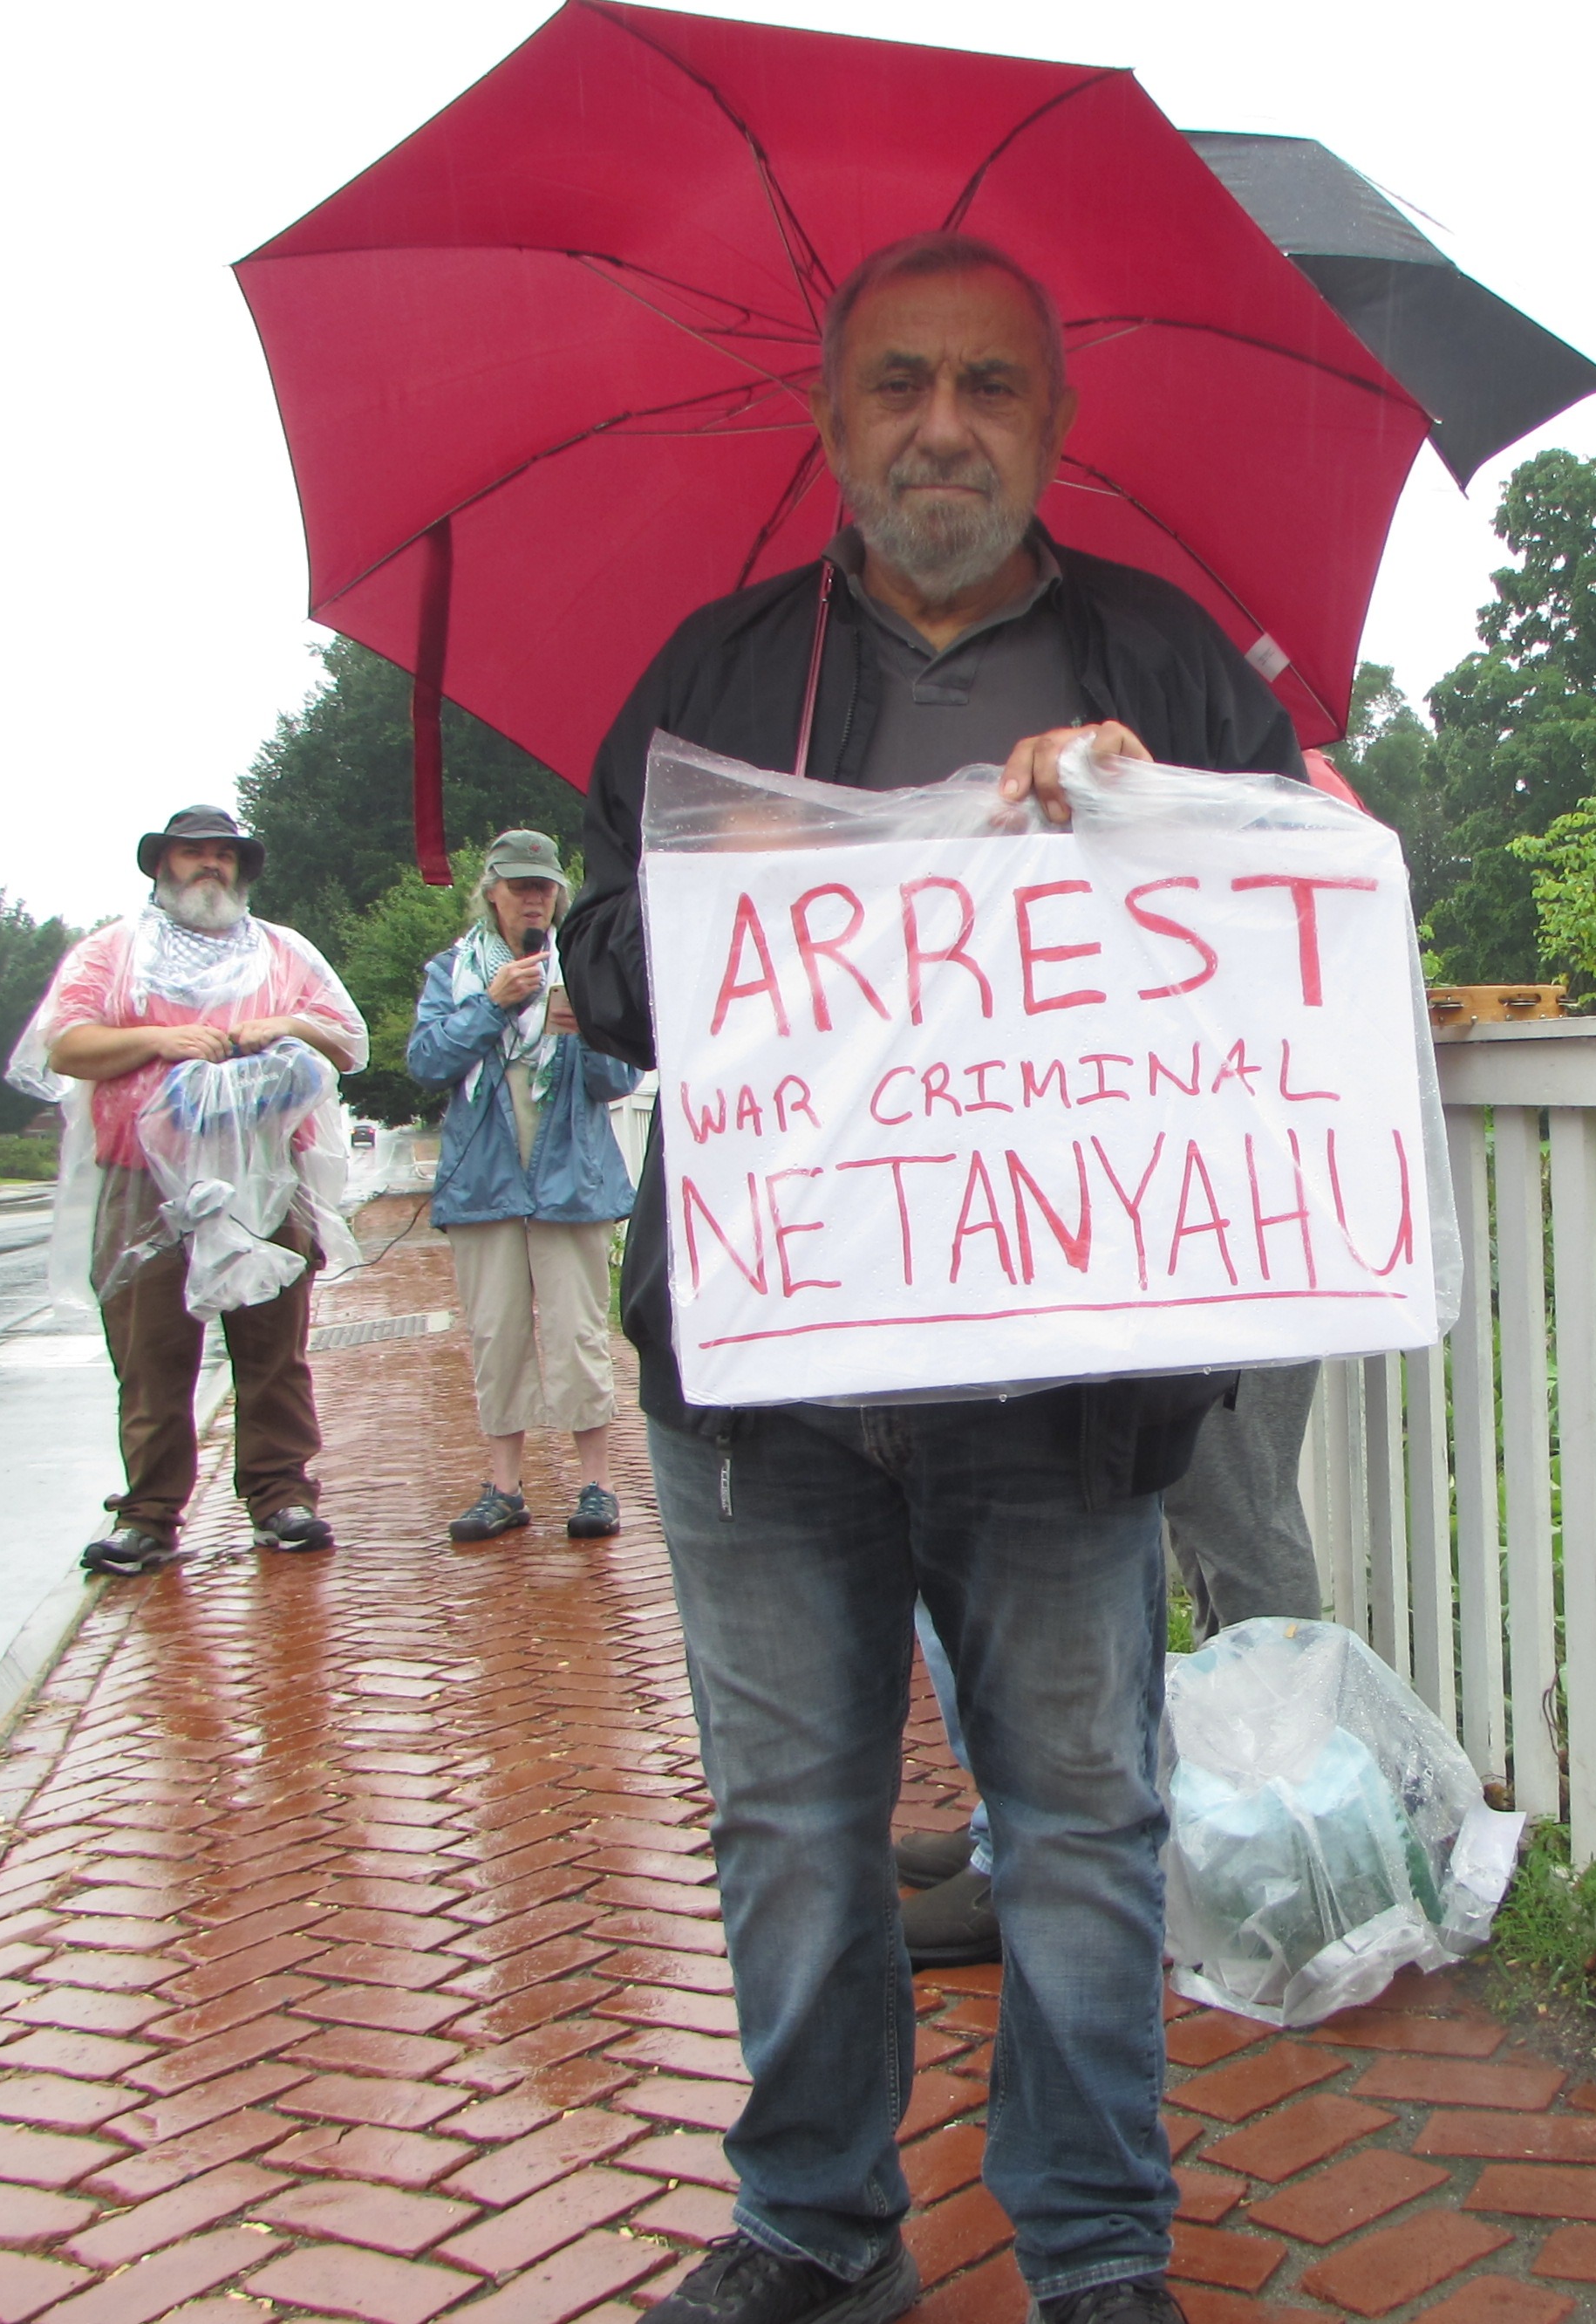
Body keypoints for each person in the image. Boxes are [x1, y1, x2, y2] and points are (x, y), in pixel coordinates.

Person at [559, 234, 1299, 2324]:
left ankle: (1094, 2241)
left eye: (987, 384)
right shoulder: (718, 677)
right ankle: (815, 2222)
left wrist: (1160, 821)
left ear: (1051, 424)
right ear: (827, 420)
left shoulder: (1162, 663)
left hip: (1065, 1369)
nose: (941, 426)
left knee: (1080, 1817)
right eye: (897, 382)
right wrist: (710, 894)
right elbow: (598, 975)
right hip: (764, 1369)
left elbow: (1302, 904)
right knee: (789, 1822)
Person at [8, 805, 366, 1577]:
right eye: (193, 853)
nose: (210, 866)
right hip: (146, 1181)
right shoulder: (112, 952)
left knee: (274, 1345)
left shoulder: (284, 952)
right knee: (150, 1351)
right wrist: (157, 1040)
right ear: (161, 866)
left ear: (242, 869)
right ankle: (148, 1515)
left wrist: (285, 1025)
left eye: (224, 855)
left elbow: (347, 1040)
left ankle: (281, 1498)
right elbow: (64, 1045)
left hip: (267, 1175)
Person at [895, 1360, 1329, 1965]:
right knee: (1205, 1511)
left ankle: (1287, 1852)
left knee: (1236, 1513)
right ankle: (1023, 1822)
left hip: (1211, 1306)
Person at [408, 830, 644, 1544]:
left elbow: (620, 1078)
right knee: (497, 1333)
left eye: (543, 887)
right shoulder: (452, 971)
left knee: (578, 1333)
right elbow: (426, 1062)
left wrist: (587, 1031)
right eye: (518, 887)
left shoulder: (584, 968)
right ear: (492, 893)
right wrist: (491, 1004)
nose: (532, 899)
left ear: (559, 896)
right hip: (483, 1181)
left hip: (570, 1178)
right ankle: (505, 1487)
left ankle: (597, 1485)